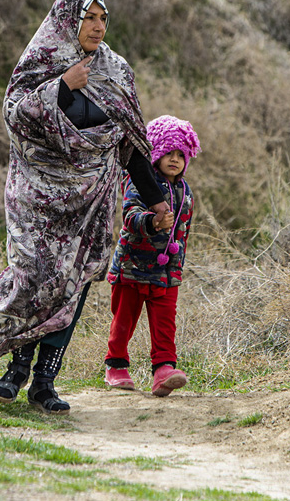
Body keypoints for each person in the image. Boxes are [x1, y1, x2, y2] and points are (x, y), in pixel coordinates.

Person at [0, 0, 170, 415]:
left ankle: (45, 381)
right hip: (38, 199)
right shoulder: (42, 62)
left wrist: (155, 200)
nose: (99, 26)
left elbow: (131, 142)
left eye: (104, 18)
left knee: (75, 279)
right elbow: (16, 115)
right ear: (69, 19)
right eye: (90, 18)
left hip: (91, 202)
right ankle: (16, 369)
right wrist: (62, 87)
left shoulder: (116, 71)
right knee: (33, 274)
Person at [103, 115, 199, 397]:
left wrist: (176, 264)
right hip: (132, 267)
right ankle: (116, 365)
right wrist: (152, 222)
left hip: (166, 272)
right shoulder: (139, 181)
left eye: (181, 154)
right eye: (168, 151)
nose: (175, 159)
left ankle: (164, 369)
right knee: (123, 320)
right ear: (154, 152)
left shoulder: (185, 191)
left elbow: (184, 231)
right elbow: (130, 215)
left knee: (165, 323)